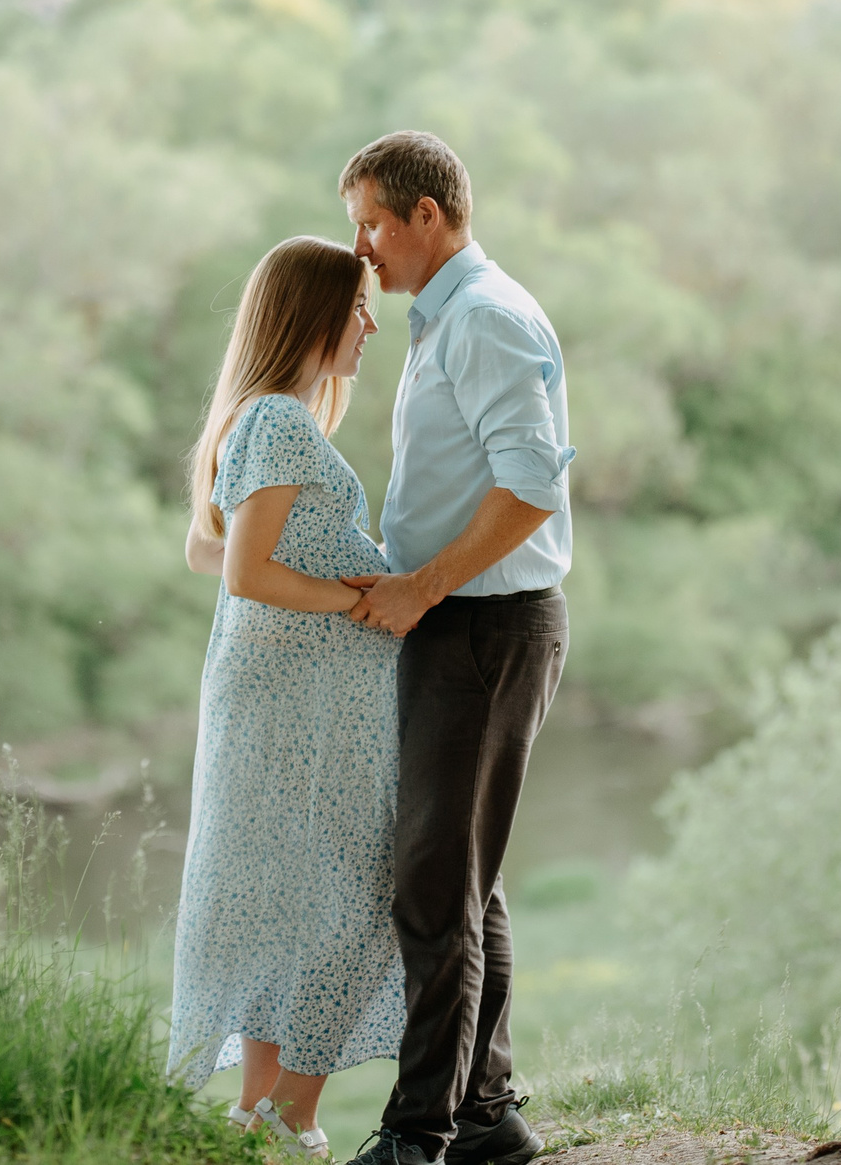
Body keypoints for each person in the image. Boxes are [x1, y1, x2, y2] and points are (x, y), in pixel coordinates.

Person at [336, 132, 573, 1165]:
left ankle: (414, 1135)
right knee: (464, 877)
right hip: (460, 621)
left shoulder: (479, 318)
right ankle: (486, 1116)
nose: (363, 248)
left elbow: (531, 484)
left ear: (426, 214)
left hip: (483, 623)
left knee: (433, 881)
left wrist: (424, 584)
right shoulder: (443, 318)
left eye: (372, 223)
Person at [168, 235, 405, 1162]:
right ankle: (292, 1116)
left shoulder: (264, 419)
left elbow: (204, 549)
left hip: (288, 701)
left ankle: (265, 1116)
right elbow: (244, 570)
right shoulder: (277, 422)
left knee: (289, 900)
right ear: (313, 315)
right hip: (295, 713)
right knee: (357, 897)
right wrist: (363, 598)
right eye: (357, 308)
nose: (371, 324)